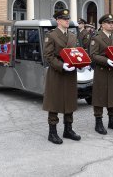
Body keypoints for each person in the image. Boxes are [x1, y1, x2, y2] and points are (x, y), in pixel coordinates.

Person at [43, 9, 81, 144]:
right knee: (54, 101)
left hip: (70, 73)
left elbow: (75, 52)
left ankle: (68, 129)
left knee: (69, 100)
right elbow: (48, 56)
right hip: (57, 72)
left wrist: (79, 62)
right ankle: (52, 132)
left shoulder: (72, 35)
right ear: (58, 21)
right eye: (65, 19)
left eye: (68, 18)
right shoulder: (51, 35)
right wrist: (61, 65)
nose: (67, 21)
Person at [90, 14, 113, 135]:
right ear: (102, 25)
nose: (111, 25)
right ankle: (98, 122)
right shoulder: (97, 38)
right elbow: (93, 55)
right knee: (100, 95)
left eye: (112, 23)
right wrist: (106, 61)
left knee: (112, 94)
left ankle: (112, 120)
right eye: (109, 23)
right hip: (102, 70)